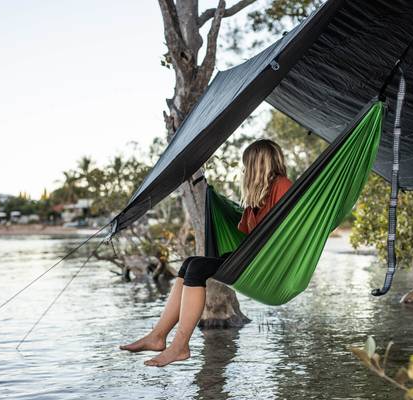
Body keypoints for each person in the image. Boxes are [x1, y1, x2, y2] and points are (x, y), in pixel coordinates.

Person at [119, 139, 293, 367]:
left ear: (258, 164)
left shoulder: (283, 185)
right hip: (252, 256)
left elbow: (283, 229)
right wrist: (232, 204)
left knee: (198, 268)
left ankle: (180, 346)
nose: (244, 170)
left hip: (267, 263)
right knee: (190, 263)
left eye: (247, 165)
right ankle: (158, 336)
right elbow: (245, 229)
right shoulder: (259, 196)